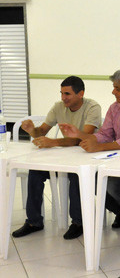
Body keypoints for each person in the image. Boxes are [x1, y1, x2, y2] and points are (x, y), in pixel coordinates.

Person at [60, 68, 120, 231]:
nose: (113, 92)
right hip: (118, 157)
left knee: (111, 181)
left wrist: (97, 147)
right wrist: (81, 135)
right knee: (90, 176)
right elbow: (105, 134)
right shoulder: (115, 108)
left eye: (117, 88)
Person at [12, 76, 102, 240]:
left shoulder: (93, 107)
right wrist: (32, 130)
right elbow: (42, 132)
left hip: (87, 159)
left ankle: (78, 223)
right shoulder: (58, 107)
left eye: (67, 94)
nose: (63, 98)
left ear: (80, 93)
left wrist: (52, 142)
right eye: (61, 93)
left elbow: (82, 138)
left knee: (76, 177)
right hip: (64, 158)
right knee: (35, 171)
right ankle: (34, 222)